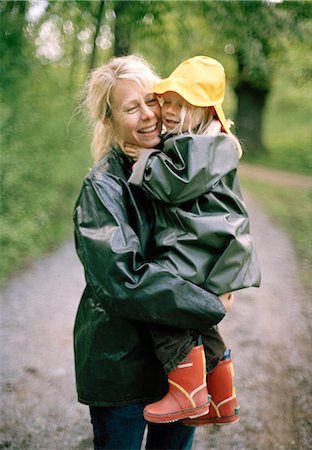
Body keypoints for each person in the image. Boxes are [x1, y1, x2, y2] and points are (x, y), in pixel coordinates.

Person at [73, 54, 231, 450]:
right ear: (108, 121)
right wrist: (209, 302)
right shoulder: (102, 187)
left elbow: (221, 228)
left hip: (182, 369)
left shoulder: (179, 168)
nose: (148, 115)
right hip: (120, 363)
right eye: (131, 108)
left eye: (152, 100)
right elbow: (123, 281)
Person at [125, 56, 261, 426]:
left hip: (200, 250)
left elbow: (174, 186)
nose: (168, 110)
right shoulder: (200, 141)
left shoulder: (208, 146)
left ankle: (187, 393)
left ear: (204, 110)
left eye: (180, 103)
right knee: (198, 322)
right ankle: (221, 397)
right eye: (166, 100)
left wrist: (144, 160)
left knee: (162, 302)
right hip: (203, 246)